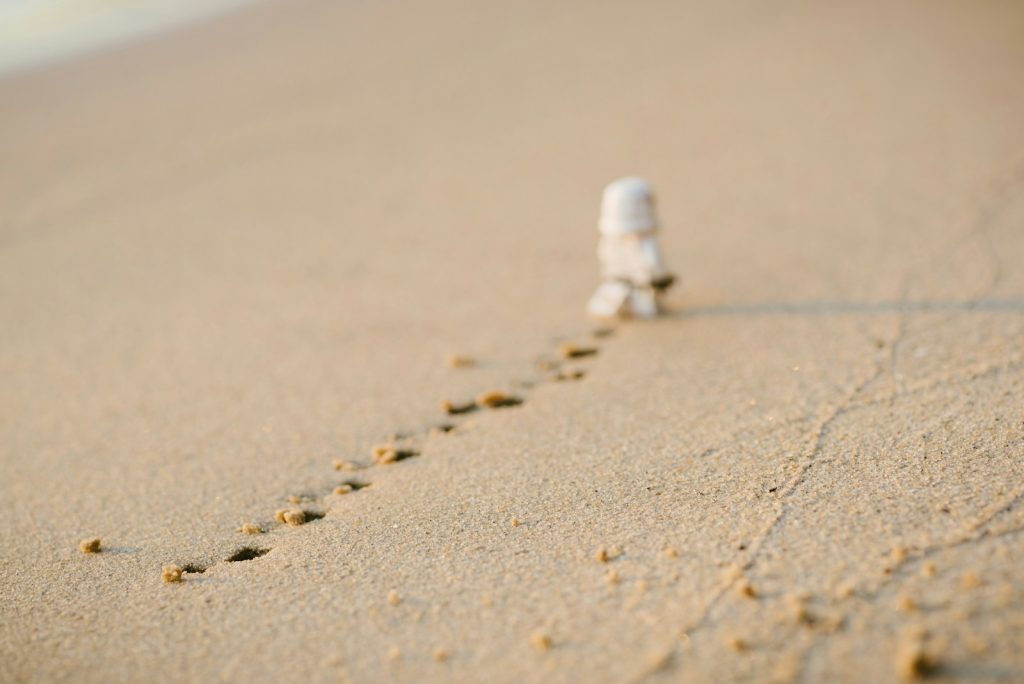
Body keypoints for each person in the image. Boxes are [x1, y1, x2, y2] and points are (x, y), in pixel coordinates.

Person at [587, 177, 675, 319]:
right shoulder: (645, 244)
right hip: (633, 285)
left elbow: (604, 256)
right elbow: (652, 263)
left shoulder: (610, 242)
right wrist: (659, 278)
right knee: (642, 307)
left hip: (623, 283)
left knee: (637, 306)